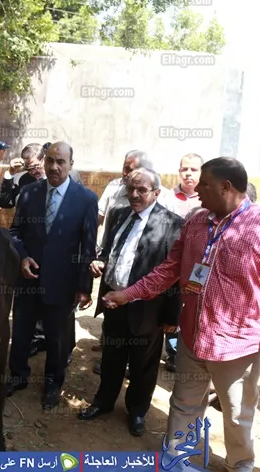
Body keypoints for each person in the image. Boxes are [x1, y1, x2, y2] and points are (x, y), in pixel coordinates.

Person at [103, 157, 260, 472]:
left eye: (204, 184)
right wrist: (127, 294)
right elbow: (169, 269)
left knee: (237, 414)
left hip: (238, 345)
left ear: (226, 187)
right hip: (193, 337)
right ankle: (177, 459)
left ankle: (240, 464)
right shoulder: (196, 221)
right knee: (184, 403)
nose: (196, 190)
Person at [77, 168, 182, 437]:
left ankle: (136, 411)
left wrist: (171, 317)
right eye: (130, 189)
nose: (134, 195)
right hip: (114, 302)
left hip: (148, 309)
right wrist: (101, 262)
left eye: (141, 190)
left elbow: (175, 275)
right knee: (111, 357)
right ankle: (103, 402)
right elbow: (111, 250)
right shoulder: (119, 214)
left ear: (156, 193)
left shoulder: (172, 224)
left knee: (143, 365)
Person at [6, 142, 98, 410]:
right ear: (44, 162)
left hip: (62, 283)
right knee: (21, 332)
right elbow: (15, 232)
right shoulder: (28, 193)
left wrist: (84, 287)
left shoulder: (86, 199)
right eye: (50, 161)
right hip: (28, 279)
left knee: (57, 338)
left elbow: (88, 247)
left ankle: (53, 384)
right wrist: (22, 257)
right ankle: (18, 375)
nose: (54, 167)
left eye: (61, 162)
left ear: (71, 164)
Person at [164, 153, 204, 373]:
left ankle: (186, 351)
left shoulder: (206, 199)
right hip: (171, 262)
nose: (188, 173)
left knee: (190, 305)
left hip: (198, 267)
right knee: (170, 305)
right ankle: (172, 351)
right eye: (184, 169)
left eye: (193, 169)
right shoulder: (167, 197)